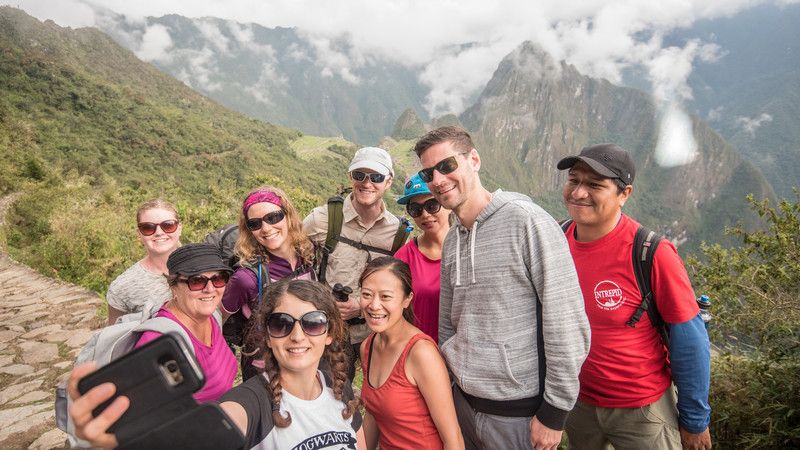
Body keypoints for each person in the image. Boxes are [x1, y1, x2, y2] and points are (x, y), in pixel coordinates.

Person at [413, 126, 590, 450]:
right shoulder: (452, 240)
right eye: (429, 172)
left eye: (447, 165)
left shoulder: (527, 222)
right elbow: (448, 324)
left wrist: (555, 411)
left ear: (474, 160)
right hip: (463, 405)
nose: (437, 180)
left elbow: (566, 320)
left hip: (518, 414)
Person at [67, 279, 366, 449]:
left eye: (313, 323)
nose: (298, 335)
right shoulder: (253, 403)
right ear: (268, 336)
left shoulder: (339, 391)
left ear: (330, 334)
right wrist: (124, 441)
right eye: (281, 323)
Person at [557, 143, 712, 450]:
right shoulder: (556, 241)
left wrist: (694, 420)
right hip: (577, 403)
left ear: (624, 194)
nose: (578, 193)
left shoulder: (651, 253)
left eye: (594, 185)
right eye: (574, 180)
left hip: (642, 408)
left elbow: (690, 340)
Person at [303, 147, 402, 378]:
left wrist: (361, 305)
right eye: (360, 175)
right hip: (330, 329)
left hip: (375, 331)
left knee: (378, 393)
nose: (367, 183)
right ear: (350, 177)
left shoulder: (396, 232)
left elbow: (399, 283)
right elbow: (291, 254)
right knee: (331, 390)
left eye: (376, 177)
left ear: (388, 182)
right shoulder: (323, 218)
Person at [358, 257, 464, 450]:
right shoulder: (367, 346)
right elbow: (374, 414)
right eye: (366, 294)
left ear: (407, 299)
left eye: (385, 297)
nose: (373, 305)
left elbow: (453, 438)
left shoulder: (421, 353)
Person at [221, 187, 316, 380]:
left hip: (306, 360)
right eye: (255, 224)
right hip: (264, 370)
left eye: (273, 217)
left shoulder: (308, 258)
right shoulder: (247, 278)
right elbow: (217, 319)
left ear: (288, 216)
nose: (266, 228)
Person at [134, 243, 237, 403]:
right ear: (174, 287)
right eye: (196, 281)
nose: (210, 289)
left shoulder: (211, 316)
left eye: (218, 278)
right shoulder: (158, 343)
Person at [394, 174, 451, 342]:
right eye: (416, 209)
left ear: (447, 203)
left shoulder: (467, 248)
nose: (425, 215)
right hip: (418, 352)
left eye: (432, 205)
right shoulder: (404, 257)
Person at [106, 199, 182, 325]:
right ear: (139, 234)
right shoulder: (122, 287)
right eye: (148, 227)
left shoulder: (203, 266)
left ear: (179, 228)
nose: (159, 232)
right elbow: (115, 338)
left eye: (168, 225)